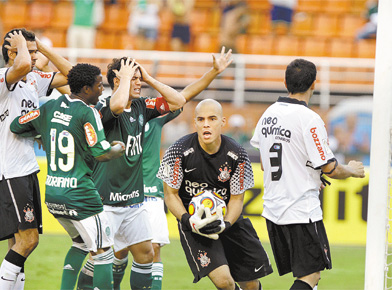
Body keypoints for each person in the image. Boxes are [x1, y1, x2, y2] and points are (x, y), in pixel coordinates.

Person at [77, 49, 232, 290]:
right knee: (103, 258)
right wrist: (126, 78)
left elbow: (179, 100)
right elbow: (117, 105)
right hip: (105, 200)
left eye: (139, 78)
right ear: (118, 80)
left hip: (134, 201)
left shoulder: (142, 107)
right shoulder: (103, 107)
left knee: (148, 254)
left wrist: (148, 78)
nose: (138, 82)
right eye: (133, 78)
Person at [250, 58, 366, 290]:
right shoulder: (310, 120)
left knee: (307, 276)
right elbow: (330, 168)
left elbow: (265, 163)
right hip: (300, 209)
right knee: (310, 276)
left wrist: (308, 174)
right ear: (314, 84)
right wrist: (353, 170)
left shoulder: (268, 114)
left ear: (285, 82)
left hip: (273, 210)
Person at [10, 63, 126, 290]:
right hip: (80, 195)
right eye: (99, 85)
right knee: (104, 253)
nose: (102, 90)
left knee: (81, 244)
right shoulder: (88, 112)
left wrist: (40, 133)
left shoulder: (50, 106)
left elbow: (16, 126)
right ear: (85, 89)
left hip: (53, 194)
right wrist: (117, 150)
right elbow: (101, 152)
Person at [157, 99, 273, 290]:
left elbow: (237, 199)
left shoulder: (237, 154)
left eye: (212, 119)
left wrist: (225, 224)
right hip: (195, 224)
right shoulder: (177, 151)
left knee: (251, 285)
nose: (206, 124)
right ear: (195, 123)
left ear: (222, 122)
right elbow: (170, 195)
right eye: (201, 119)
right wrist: (188, 220)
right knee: (224, 282)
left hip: (229, 222)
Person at [0, 28, 72, 290]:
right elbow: (23, 63)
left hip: (25, 169)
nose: (35, 57)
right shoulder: (0, 79)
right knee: (29, 241)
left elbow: (75, 77)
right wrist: (22, 47)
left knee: (18, 244)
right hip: (9, 170)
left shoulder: (33, 80)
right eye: (32, 51)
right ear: (13, 52)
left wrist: (43, 48)